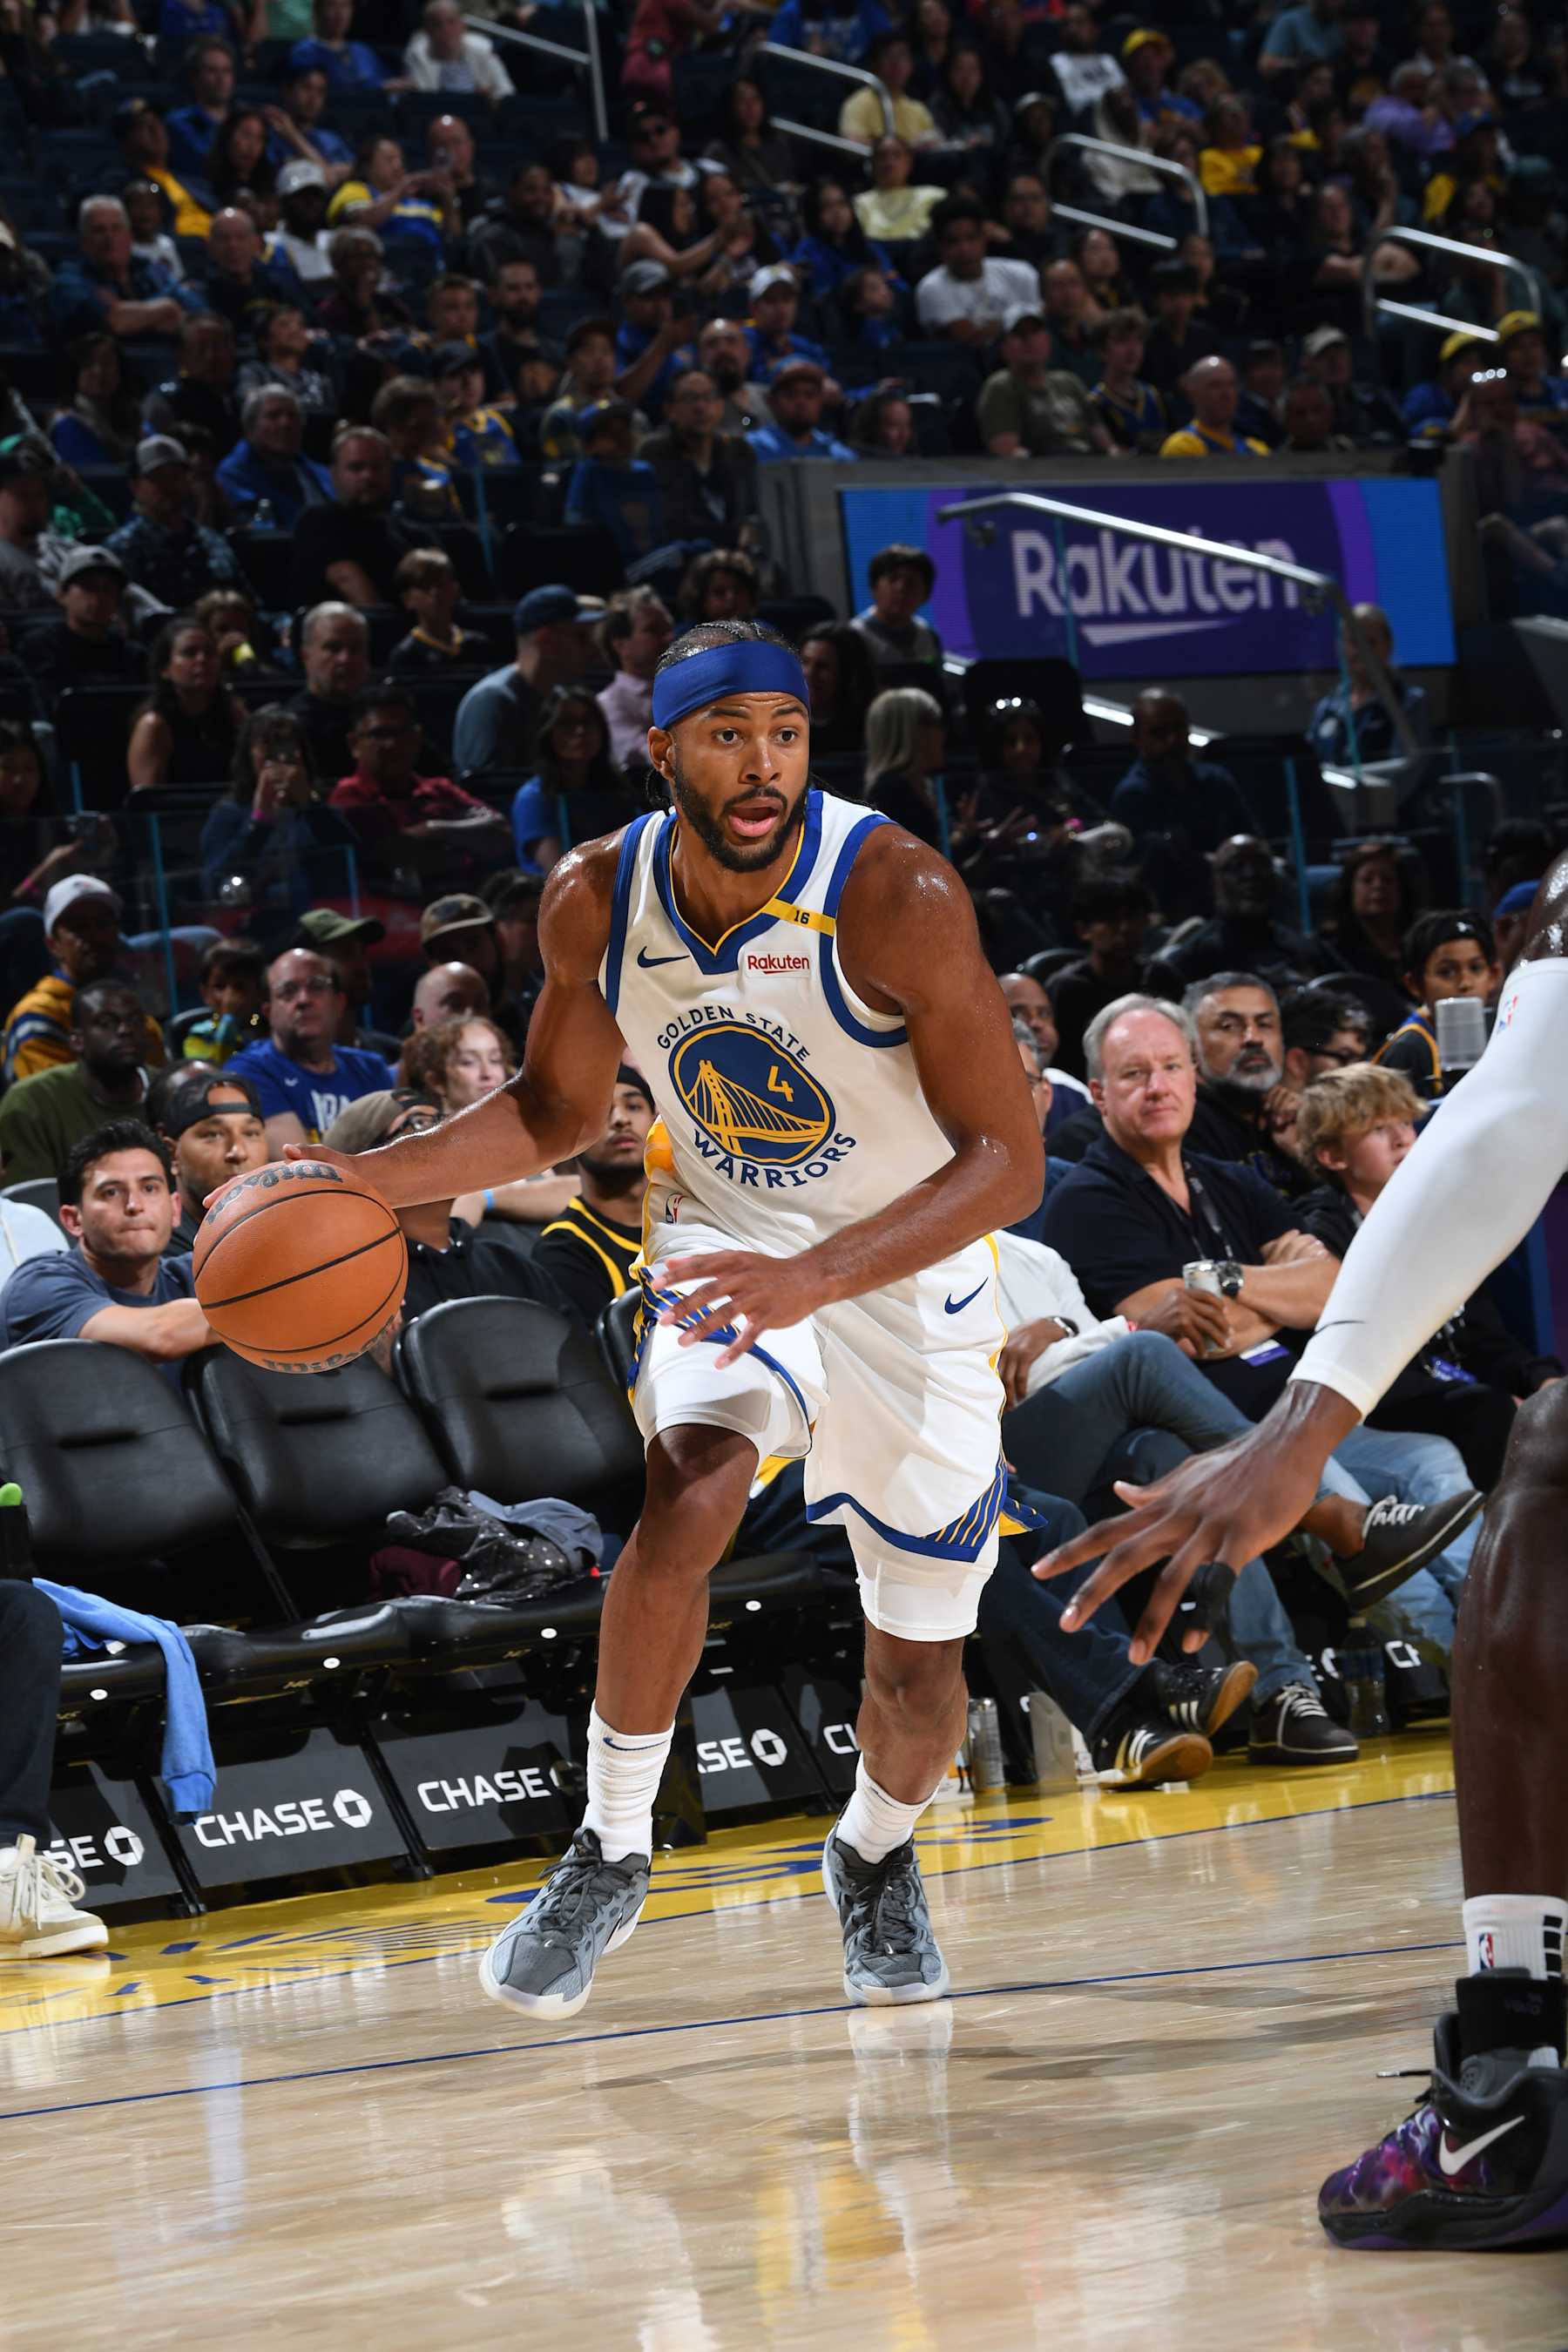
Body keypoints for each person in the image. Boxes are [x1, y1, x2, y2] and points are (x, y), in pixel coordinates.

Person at [303, 615, 1045, 2022]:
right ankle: (612, 1841)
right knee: (690, 1492)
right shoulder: (598, 896)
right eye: (727, 736)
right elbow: (552, 1111)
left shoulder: (898, 890)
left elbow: (1010, 1161)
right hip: (732, 1241)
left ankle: (876, 1856)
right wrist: (362, 1179)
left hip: (910, 1273)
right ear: (664, 752)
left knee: (919, 1657)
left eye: (786, 733)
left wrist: (823, 1281)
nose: (763, 765)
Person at [1037, 875, 1568, 2254]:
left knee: (1542, 1473)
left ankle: (1516, 2067)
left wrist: (1292, 1432)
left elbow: (1503, 1129)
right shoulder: (1096, 1197)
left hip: (1343, 1402)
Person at [1041, 994, 1484, 1649]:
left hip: (1302, 1411)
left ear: (1194, 1075)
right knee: (1320, 1479)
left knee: (1432, 1459)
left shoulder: (1229, 1179)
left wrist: (1225, 1282)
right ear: (1100, 1095)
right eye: (1135, 1075)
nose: (1158, 1086)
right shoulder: (1086, 1199)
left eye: (1170, 1066)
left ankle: (1500, 1642)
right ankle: (1464, 1668)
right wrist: (1275, 1297)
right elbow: (1190, 1333)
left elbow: (1332, 1287)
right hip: (1220, 1437)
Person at [1294, 1064, 1551, 1489]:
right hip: (1378, 1401)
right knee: (1487, 1412)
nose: (1402, 1139)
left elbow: (1481, 1335)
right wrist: (1499, 1400)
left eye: (1404, 1123)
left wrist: (1538, 1376)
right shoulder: (1321, 1235)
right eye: (1378, 1129)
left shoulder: (1435, 1216)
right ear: (1332, 1156)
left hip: (1454, 1392)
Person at [0, 1120, 209, 1388]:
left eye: (149, 1188)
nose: (134, 1206)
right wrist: (255, 1306)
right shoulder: (37, 1287)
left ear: (175, 1209)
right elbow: (158, 1336)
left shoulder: (191, 1275)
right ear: (73, 1219)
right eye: (111, 1192)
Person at [328, 682, 509, 883]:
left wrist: (434, 830)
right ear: (354, 744)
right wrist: (458, 834)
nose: (393, 744)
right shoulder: (348, 795)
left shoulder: (440, 789)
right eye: (379, 734)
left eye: (402, 732)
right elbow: (391, 853)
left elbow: (500, 831)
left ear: (417, 737)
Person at [225, 948, 393, 1150]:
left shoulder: (371, 1068)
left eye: (317, 986)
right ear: (269, 1012)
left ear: (339, 1003)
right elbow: (301, 1164)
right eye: (288, 991)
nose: (303, 999)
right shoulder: (249, 1071)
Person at [3, 880, 162, 1087]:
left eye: (103, 923)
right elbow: (57, 1106)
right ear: (53, 944)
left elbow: (159, 1086)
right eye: (79, 927)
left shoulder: (134, 1009)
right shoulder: (38, 1015)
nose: (94, 935)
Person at [0, 978, 155, 1186]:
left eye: (135, 1020)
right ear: (76, 1040)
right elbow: (30, 1204)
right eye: (106, 1023)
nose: (125, 1030)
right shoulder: (32, 1103)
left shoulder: (173, 1090)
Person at [533, 1066, 655, 1325]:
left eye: (633, 1106)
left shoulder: (691, 1217)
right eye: (602, 1109)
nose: (621, 1119)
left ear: (655, 1121)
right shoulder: (562, 1251)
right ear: (570, 1137)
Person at [1147, 834, 1333, 997]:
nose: (1250, 875)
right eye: (1236, 866)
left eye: (1260, 864)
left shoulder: (1306, 949)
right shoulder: (1192, 959)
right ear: (1216, 881)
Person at [453, 586, 603, 778]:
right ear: (548, 640)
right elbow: (490, 794)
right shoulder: (492, 700)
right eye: (580, 637)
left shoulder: (560, 697)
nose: (592, 649)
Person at [104, 437, 243, 613]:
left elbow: (247, 602)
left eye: (176, 476)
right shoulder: (122, 548)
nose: (168, 486)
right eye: (157, 478)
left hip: (228, 637)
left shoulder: (213, 542)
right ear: (136, 486)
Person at [288, 427, 420, 612]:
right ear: (334, 475)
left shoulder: (410, 533)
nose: (368, 476)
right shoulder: (319, 522)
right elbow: (350, 583)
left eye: (376, 467)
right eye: (356, 468)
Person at [1374, 910, 1498, 1100]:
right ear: (1414, 984)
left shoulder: (1502, 1030)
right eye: (1446, 972)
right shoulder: (1408, 1050)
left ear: (1494, 976)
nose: (1465, 983)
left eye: (1476, 968)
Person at [145, 1063, 268, 1252]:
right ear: (171, 1153)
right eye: (213, 1135)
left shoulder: (289, 1224)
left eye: (251, 1133)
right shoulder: (152, 1246)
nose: (238, 1152)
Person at [1044, 870, 1154, 1080]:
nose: (1124, 928)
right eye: (1110, 920)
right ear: (1083, 930)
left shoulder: (1162, 978)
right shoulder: (1067, 990)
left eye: (1132, 917)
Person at [510, 686, 625, 873]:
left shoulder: (620, 791)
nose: (580, 731)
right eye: (567, 723)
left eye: (588, 722)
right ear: (548, 733)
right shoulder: (534, 798)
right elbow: (558, 872)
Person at [126, 615, 244, 794]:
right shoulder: (153, 727)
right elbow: (149, 807)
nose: (202, 659)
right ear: (165, 669)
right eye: (190, 653)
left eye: (209, 652)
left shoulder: (235, 714)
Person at [1308, 603, 1432, 769]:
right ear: (1340, 646)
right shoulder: (1326, 707)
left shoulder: (1409, 702)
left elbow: (1408, 771)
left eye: (1370, 642)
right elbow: (1312, 764)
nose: (1361, 651)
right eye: (1353, 641)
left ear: (1388, 646)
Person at [915, 198, 1039, 344]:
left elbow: (1046, 321)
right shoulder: (931, 288)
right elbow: (971, 339)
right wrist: (1022, 320)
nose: (964, 249)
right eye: (953, 241)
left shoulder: (1021, 273)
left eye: (971, 238)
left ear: (984, 238)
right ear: (940, 247)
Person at [30, 546, 141, 706]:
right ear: (62, 594)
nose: (99, 597)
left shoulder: (134, 655)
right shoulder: (41, 648)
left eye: (108, 589)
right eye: (88, 587)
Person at [215, 386, 332, 529]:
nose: (286, 423)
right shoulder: (233, 474)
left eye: (292, 416)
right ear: (250, 427)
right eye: (273, 416)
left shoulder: (320, 474)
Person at [284, 602, 370, 784]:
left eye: (355, 649)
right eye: (333, 648)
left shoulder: (382, 715)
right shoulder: (292, 726)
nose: (345, 659)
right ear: (305, 656)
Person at [595, 590, 674, 776]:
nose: (669, 638)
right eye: (653, 630)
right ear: (621, 645)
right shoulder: (609, 703)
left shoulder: (690, 687)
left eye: (668, 629)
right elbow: (641, 756)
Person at [388, 546, 490, 675]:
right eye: (425, 587)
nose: (435, 593)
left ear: (456, 589)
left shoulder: (478, 644)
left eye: (441, 584)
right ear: (407, 599)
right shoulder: (406, 655)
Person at [176, 934, 268, 1064]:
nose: (229, 997)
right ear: (204, 993)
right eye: (220, 987)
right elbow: (218, 1070)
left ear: (260, 991)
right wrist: (228, 1020)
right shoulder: (199, 1036)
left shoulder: (269, 1028)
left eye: (239, 987)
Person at [746, 357, 857, 464]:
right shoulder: (752, 448)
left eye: (810, 395)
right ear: (772, 401)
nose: (801, 402)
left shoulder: (840, 456)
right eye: (791, 394)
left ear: (820, 401)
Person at [851, 544, 942, 671]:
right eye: (892, 579)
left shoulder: (928, 637)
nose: (901, 589)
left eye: (911, 582)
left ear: (926, 594)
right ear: (874, 587)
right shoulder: (853, 637)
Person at [1159, 355, 1268, 457]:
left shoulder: (1256, 448)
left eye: (1231, 385)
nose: (1226, 394)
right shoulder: (1182, 446)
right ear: (1193, 393)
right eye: (1215, 385)